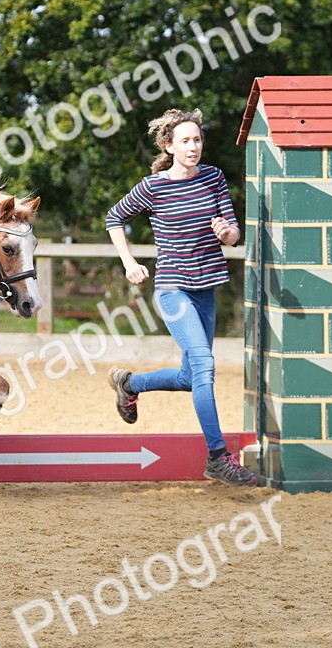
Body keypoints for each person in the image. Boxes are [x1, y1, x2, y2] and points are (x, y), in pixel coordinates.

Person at [104, 108, 257, 486]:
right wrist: (129, 262)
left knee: (192, 376)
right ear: (169, 146)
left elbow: (233, 232)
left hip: (207, 288)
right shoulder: (153, 187)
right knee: (205, 365)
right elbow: (114, 218)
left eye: (197, 140)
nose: (193, 147)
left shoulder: (213, 177)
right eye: (185, 141)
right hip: (173, 289)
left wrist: (226, 233)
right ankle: (218, 456)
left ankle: (130, 385)